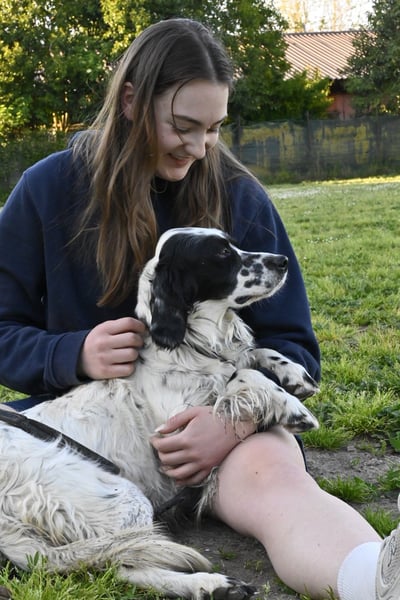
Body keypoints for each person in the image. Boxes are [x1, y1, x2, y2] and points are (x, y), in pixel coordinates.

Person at [0, 17, 398, 600]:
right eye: (183, 126)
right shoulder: (47, 189)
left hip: (223, 438)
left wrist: (233, 421)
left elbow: (293, 347)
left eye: (214, 128)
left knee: (277, 483)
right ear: (131, 101)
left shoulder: (238, 195)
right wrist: (72, 353)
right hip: (89, 437)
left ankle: (375, 577)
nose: (200, 146)